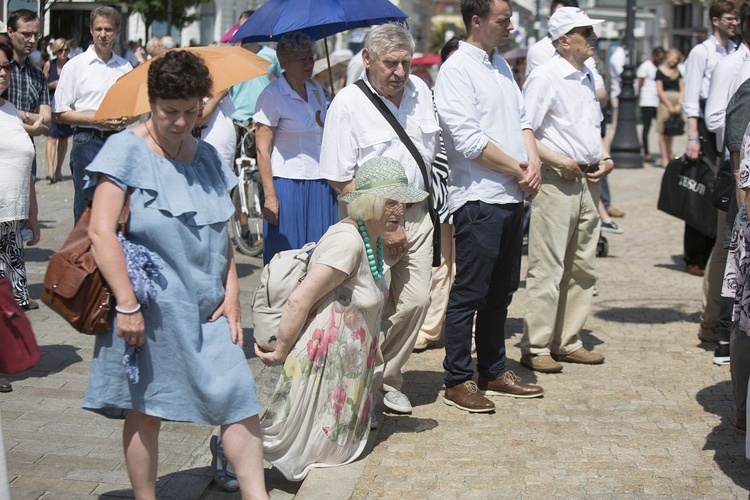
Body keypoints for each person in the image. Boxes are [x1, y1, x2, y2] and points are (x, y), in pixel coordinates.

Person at [82, 50, 268, 500]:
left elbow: (221, 231)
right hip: (150, 310)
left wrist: (232, 295)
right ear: (152, 102)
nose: (183, 122)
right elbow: (100, 231)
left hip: (209, 309)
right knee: (147, 408)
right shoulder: (124, 149)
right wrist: (126, 305)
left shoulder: (205, 155)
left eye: (192, 110)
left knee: (239, 399)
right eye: (171, 112)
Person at [255, 157, 428, 480]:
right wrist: (280, 351)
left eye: (401, 203)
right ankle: (229, 452)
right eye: (390, 203)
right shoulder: (347, 242)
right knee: (285, 430)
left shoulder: (372, 239)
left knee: (311, 441)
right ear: (369, 202)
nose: (399, 211)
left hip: (343, 362)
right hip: (320, 360)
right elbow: (298, 301)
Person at [320, 22, 440, 416]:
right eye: (391, 63)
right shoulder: (347, 104)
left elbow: (431, 154)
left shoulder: (421, 91)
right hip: (370, 221)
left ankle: (382, 378)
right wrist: (387, 222)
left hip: (420, 214)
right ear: (367, 59)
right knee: (367, 306)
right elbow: (340, 177)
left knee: (417, 301)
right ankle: (357, 386)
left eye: (406, 63)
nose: (401, 73)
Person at [434, 0, 544, 413]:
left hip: (511, 195)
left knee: (502, 291)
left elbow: (522, 120)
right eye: (503, 20)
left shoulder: (498, 65)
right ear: (476, 21)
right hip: (478, 197)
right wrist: (520, 170)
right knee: (470, 293)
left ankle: (493, 370)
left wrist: (532, 163)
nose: (511, 26)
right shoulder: (456, 69)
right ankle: (458, 378)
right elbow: (468, 142)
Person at [519, 7, 611, 373]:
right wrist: (558, 161)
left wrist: (604, 156)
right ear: (563, 40)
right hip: (559, 181)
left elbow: (592, 127)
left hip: (588, 179)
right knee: (548, 265)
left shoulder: (586, 75)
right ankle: (537, 344)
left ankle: (568, 339)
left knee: (583, 265)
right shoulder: (545, 78)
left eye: (591, 31)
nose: (592, 38)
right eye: (584, 32)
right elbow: (524, 129)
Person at [254, 32, 337, 264]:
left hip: (321, 182)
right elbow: (262, 150)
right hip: (288, 184)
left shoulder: (317, 90)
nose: (308, 64)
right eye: (301, 59)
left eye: (310, 58)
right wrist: (270, 196)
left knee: (321, 255)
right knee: (289, 258)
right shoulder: (272, 95)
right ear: (284, 62)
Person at [701, 2, 750, 363]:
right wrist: (738, 164)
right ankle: (722, 330)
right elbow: (718, 117)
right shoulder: (731, 66)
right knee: (731, 247)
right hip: (735, 167)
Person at [53, 6, 133, 222]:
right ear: (91, 30)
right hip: (87, 139)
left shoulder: (125, 67)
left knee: (117, 204)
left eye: (108, 29)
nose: (103, 34)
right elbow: (59, 113)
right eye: (98, 29)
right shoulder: (75, 66)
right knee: (85, 204)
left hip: (118, 140)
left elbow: (134, 109)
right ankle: (83, 253)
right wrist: (96, 119)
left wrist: (128, 118)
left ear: (117, 31)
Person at [682, 0, 737, 276]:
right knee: (701, 188)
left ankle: (714, 247)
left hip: (728, 123)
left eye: (736, 18)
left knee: (721, 189)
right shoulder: (700, 52)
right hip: (705, 123)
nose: (734, 22)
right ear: (716, 20)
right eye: (729, 18)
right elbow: (691, 95)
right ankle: (694, 254)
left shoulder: (735, 50)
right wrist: (693, 135)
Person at [414, 36, 463, 352]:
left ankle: (468, 330)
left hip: (481, 190)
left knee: (473, 265)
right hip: (444, 194)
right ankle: (431, 327)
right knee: (442, 264)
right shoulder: (430, 99)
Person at [0, 40, 41, 403]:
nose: (2, 73)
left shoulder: (11, 109)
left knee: (7, 296)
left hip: (10, 221)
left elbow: (25, 166)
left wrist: (33, 212)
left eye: (5, 67)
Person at [6, 9, 52, 181]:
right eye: (26, 34)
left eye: (35, 34)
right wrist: (27, 117)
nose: (32, 40)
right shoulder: (3, 70)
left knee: (26, 207)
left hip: (26, 152)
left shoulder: (37, 75)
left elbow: (46, 119)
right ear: (10, 32)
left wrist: (16, 115)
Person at [230, 10, 283, 124]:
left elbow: (285, 83)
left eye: (249, 27)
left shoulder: (272, 56)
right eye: (241, 28)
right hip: (237, 120)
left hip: (265, 118)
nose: (245, 32)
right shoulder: (231, 57)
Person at [43, 38, 73, 184]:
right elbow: (42, 84)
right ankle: (49, 169)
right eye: (61, 50)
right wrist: (51, 84)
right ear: (55, 51)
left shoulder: (72, 64)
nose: (63, 53)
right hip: (51, 104)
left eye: (66, 50)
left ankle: (59, 169)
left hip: (67, 106)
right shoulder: (50, 64)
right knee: (51, 137)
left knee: (63, 138)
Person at [655, 49, 685, 169]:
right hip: (665, 104)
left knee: (672, 131)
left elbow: (682, 88)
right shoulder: (660, 71)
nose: (674, 60)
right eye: (673, 57)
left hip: (676, 101)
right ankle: (665, 157)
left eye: (677, 58)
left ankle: (670, 153)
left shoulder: (678, 72)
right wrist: (669, 106)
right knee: (664, 131)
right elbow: (660, 91)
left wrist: (679, 104)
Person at [637, 47, 666, 164]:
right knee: (646, 127)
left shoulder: (660, 67)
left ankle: (664, 151)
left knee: (663, 126)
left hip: (657, 100)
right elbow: (639, 83)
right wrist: (638, 97)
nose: (661, 59)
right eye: (659, 57)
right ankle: (646, 152)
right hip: (647, 100)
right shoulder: (645, 66)